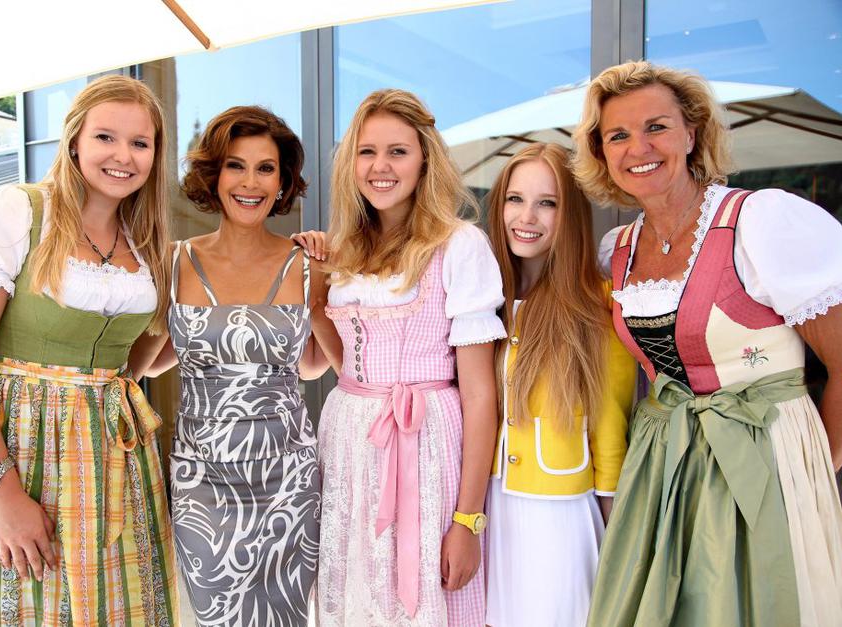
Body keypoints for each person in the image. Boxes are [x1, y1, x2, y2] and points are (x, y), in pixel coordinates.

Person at [572, 60, 842, 626]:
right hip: (664, 463)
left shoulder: (759, 223)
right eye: (617, 135)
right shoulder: (618, 249)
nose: (638, 147)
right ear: (601, 153)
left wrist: (812, 470)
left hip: (763, 456)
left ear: (692, 134)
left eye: (657, 126)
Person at [0, 75, 178, 625]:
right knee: (28, 603)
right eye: (105, 137)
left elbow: (132, 366)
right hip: (23, 449)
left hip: (117, 458)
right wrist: (4, 495)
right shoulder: (17, 214)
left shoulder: (147, 243)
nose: (123, 156)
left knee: (118, 606)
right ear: (74, 141)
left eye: (140, 143)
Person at [307, 88, 505, 627]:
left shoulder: (459, 244)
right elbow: (347, 367)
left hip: (427, 442)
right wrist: (316, 289)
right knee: (358, 593)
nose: (381, 166)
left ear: (424, 160)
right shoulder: (345, 248)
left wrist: (468, 519)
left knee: (425, 587)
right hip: (349, 441)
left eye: (398, 151)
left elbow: (480, 395)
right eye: (367, 152)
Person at [130, 105, 328, 627]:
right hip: (203, 482)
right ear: (213, 175)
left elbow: (310, 367)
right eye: (236, 165)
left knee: (288, 616)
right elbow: (147, 366)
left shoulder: (307, 264)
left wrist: (333, 278)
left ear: (283, 182)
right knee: (214, 613)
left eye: (266, 168)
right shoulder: (173, 260)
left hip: (289, 479)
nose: (250, 182)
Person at [482, 143, 636, 627]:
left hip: (559, 515)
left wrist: (616, 534)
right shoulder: (481, 298)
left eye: (547, 203)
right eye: (515, 198)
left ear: (569, 215)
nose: (526, 217)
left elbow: (610, 424)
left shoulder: (598, 304)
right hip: (486, 509)